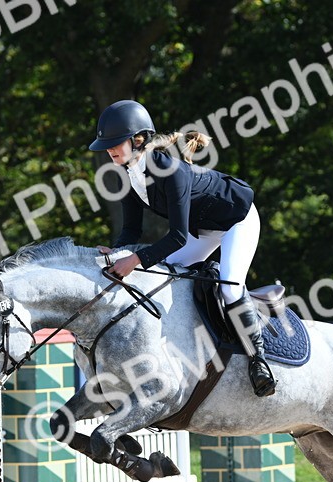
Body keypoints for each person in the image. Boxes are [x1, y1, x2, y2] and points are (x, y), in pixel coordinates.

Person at [88, 99, 275, 397]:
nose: (108, 149)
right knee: (167, 275)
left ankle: (259, 361)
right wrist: (117, 254)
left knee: (229, 287)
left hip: (237, 220)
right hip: (202, 230)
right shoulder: (128, 173)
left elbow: (176, 236)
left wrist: (134, 259)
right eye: (106, 143)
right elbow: (131, 230)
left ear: (138, 140)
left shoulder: (170, 172)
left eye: (114, 142)